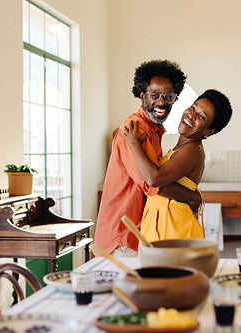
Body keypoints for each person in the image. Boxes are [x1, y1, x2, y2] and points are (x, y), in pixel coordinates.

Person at [94, 59, 201, 257]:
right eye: (154, 95)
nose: (161, 102)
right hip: (123, 236)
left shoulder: (154, 130)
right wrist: (192, 197)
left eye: (168, 97)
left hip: (137, 233)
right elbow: (151, 183)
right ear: (142, 96)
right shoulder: (135, 129)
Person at [123, 89, 232, 242]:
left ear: (209, 130)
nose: (191, 116)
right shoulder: (179, 149)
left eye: (201, 116)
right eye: (193, 108)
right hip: (163, 228)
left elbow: (154, 178)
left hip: (175, 231)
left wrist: (135, 144)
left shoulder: (192, 150)